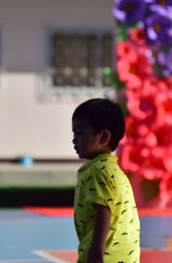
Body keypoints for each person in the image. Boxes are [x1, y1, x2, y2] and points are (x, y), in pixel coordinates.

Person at [72, 98, 140, 263]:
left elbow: (103, 210)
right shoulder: (113, 170)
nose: (74, 140)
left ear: (103, 137)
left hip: (105, 255)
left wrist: (97, 248)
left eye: (79, 133)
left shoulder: (98, 171)